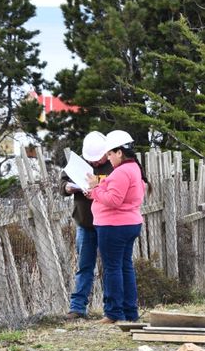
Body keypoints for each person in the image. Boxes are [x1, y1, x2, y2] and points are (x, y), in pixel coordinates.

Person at [86, 130, 148, 323]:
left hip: (113, 225)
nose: (109, 158)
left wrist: (95, 191)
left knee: (112, 268)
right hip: (129, 223)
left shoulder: (121, 172)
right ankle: (130, 312)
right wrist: (100, 187)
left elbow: (114, 200)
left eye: (110, 154)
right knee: (125, 267)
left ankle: (114, 313)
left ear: (119, 152)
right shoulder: (134, 169)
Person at [61, 131, 114, 319]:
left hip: (108, 223)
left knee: (110, 266)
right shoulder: (79, 162)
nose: (95, 163)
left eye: (98, 160)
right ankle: (77, 307)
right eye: (91, 160)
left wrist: (96, 185)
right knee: (84, 266)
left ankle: (111, 308)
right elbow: (63, 182)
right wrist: (67, 187)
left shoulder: (115, 163)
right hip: (85, 222)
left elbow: (118, 186)